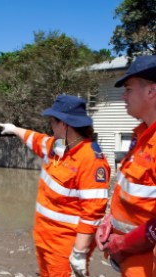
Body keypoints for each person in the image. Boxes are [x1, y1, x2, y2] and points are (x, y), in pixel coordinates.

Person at [0, 94, 110, 277]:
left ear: (64, 124)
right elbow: (34, 138)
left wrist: (79, 253)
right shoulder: (57, 146)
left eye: (52, 121)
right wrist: (14, 129)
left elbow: (93, 212)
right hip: (43, 238)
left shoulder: (90, 159)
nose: (50, 126)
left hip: (64, 246)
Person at [95, 55, 156, 276]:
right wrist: (109, 220)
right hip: (130, 261)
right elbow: (130, 194)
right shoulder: (141, 136)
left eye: (128, 89)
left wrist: (123, 244)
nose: (123, 95)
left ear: (151, 91)